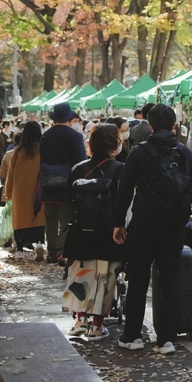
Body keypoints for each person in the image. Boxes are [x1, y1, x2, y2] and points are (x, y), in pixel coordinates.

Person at [112, 104, 192, 355]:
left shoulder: (139, 153)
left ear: (149, 126)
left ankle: (132, 335)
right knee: (170, 280)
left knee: (138, 279)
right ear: (174, 125)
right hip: (174, 226)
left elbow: (124, 190)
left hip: (143, 224)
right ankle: (166, 339)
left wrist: (118, 223)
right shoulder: (185, 153)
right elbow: (191, 189)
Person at [62, 124, 125, 341]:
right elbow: (124, 203)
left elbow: (69, 200)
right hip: (109, 234)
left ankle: (80, 320)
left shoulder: (78, 169)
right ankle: (97, 325)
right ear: (115, 144)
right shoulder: (120, 169)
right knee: (104, 277)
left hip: (80, 233)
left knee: (81, 274)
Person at [39, 102, 87, 265]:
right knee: (66, 217)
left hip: (48, 180)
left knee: (50, 218)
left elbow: (42, 158)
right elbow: (80, 162)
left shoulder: (46, 135)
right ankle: (62, 251)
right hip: (68, 182)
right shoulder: (74, 136)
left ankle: (51, 252)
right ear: (70, 118)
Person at [2, 124, 46, 256]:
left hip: (19, 191)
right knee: (38, 217)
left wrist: (8, 192)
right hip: (38, 190)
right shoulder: (43, 150)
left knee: (20, 220)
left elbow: (10, 174)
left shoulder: (18, 151)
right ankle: (39, 243)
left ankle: (20, 249)